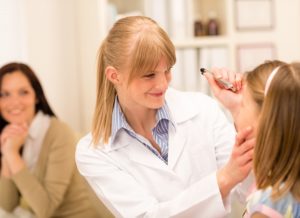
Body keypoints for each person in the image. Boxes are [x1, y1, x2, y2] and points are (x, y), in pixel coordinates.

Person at [75, 16, 255, 217]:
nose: (163, 84)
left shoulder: (204, 110)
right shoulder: (93, 152)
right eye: (149, 75)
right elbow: (147, 215)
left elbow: (251, 188)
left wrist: (240, 111)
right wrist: (223, 179)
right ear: (114, 76)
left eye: (167, 70)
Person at [0, 62, 113, 218]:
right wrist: (7, 152)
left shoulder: (58, 133)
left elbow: (45, 209)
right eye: (4, 94)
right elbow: (7, 204)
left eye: (23, 92)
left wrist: (12, 154)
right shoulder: (13, 136)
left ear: (36, 97)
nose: (14, 102)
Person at [207, 60, 300, 217]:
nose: (237, 107)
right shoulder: (289, 187)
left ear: (266, 122)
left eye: (242, 104)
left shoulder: (269, 204)